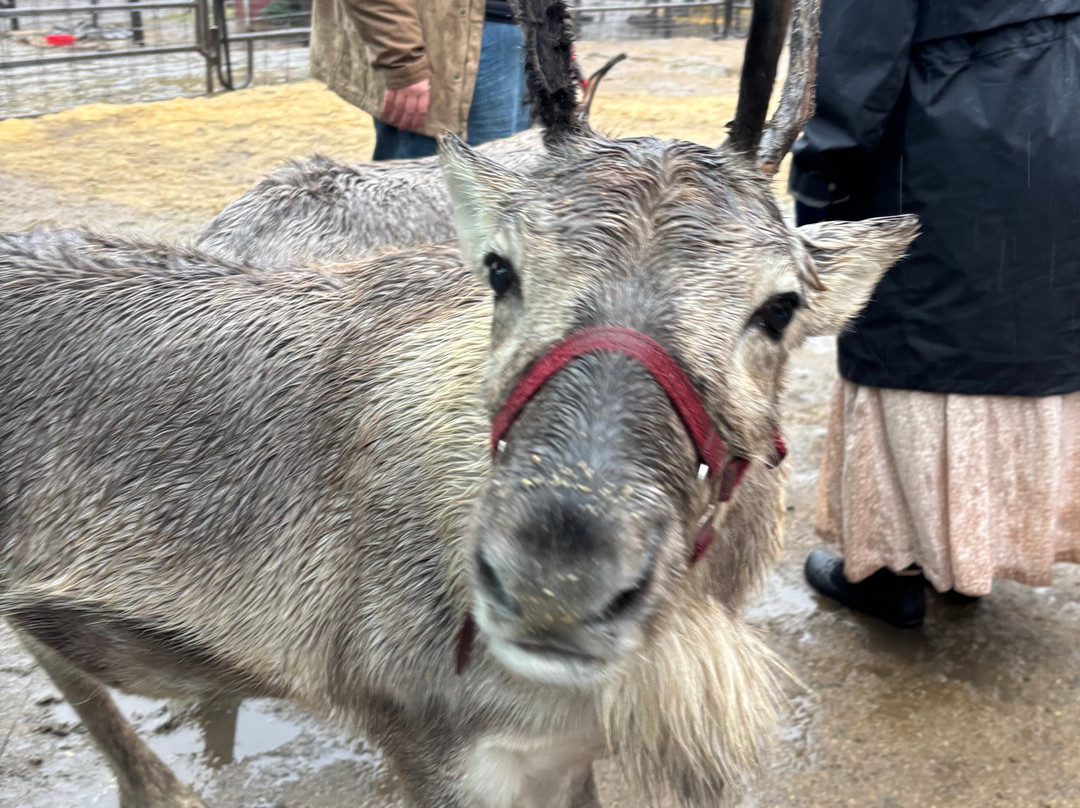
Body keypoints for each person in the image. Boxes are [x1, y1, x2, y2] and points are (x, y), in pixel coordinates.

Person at [790, 0, 1080, 628]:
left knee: (919, 349)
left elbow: (859, 59)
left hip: (942, 144)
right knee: (1023, 336)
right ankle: (970, 557)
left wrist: (819, 192)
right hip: (1058, 121)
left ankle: (895, 571)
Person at [310, 0, 531, 160]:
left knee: (503, 185)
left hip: (518, 33)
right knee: (422, 195)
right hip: (447, 44)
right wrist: (402, 59)